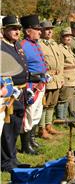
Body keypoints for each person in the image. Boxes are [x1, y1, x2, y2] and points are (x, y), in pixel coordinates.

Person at [1, 16, 30, 170]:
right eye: (13, 28)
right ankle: (6, 162)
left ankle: (13, 157)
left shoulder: (17, 45)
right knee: (7, 128)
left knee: (16, 126)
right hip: (8, 94)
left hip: (22, 91)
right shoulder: (1, 46)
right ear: (4, 30)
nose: (17, 31)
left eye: (18, 28)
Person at [19, 14, 47, 154]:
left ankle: (31, 140)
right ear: (28, 31)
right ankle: (25, 146)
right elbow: (21, 67)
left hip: (40, 84)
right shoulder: (22, 45)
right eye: (37, 29)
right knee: (28, 115)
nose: (40, 32)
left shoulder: (36, 44)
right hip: (31, 85)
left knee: (36, 113)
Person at [38, 20, 64, 138]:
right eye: (47, 29)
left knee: (52, 103)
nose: (49, 31)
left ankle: (49, 125)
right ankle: (41, 128)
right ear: (41, 31)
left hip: (57, 78)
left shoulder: (54, 43)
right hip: (48, 78)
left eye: (51, 29)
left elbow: (61, 62)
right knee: (44, 104)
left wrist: (61, 77)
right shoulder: (39, 44)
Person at [57, 27, 75, 120]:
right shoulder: (60, 49)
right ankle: (60, 119)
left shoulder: (68, 48)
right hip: (66, 78)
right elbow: (60, 66)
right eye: (66, 36)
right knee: (62, 100)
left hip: (71, 78)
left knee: (67, 99)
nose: (69, 38)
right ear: (62, 38)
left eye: (70, 36)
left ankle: (65, 118)